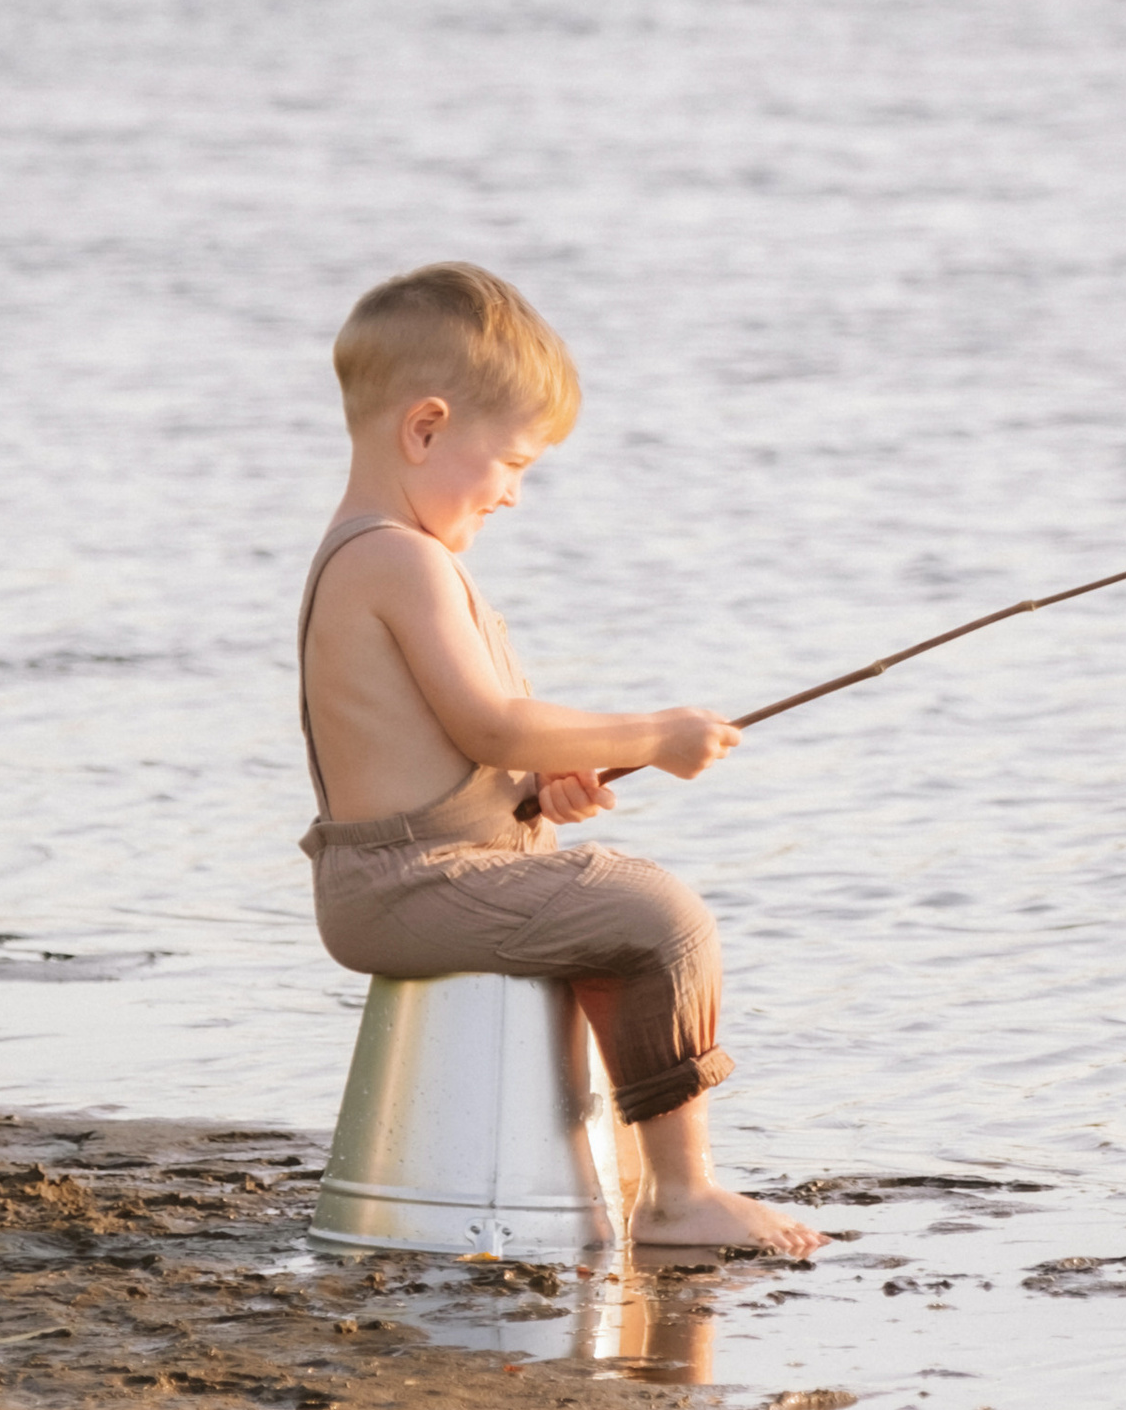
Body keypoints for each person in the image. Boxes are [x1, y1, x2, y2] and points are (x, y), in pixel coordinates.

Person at [297, 261, 820, 1262]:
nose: (514, 497)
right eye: (514, 464)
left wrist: (532, 790)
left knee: (612, 913)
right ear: (426, 428)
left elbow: (461, 749)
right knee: (660, 917)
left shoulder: (388, 554)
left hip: (423, 867)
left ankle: (629, 1171)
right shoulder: (397, 560)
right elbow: (493, 723)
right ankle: (679, 1198)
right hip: (404, 882)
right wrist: (649, 738)